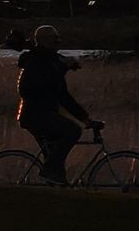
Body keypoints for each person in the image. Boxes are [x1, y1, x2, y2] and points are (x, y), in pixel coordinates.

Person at [15, 24, 98, 183]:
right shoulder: (39, 62)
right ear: (45, 42)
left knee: (54, 155)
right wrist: (84, 119)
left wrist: (84, 118)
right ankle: (49, 172)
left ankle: (57, 185)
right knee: (72, 130)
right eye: (55, 41)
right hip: (35, 116)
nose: (58, 44)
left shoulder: (47, 60)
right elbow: (60, 95)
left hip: (40, 114)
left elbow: (59, 92)